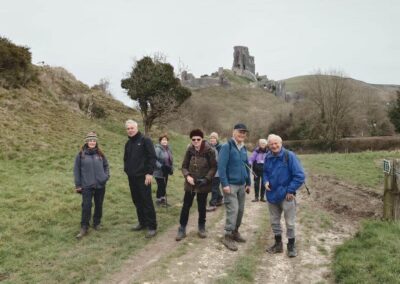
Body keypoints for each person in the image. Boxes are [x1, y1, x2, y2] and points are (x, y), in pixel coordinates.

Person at [263, 134, 305, 257]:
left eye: (276, 143)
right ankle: (278, 245)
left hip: (287, 196)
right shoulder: (268, 157)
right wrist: (265, 181)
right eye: (271, 144)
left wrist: (291, 190)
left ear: (281, 143)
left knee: (290, 223)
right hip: (271, 194)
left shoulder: (289, 156)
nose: (274, 146)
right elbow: (265, 172)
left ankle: (291, 246)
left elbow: (300, 176)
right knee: (274, 221)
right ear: (268, 145)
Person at [175, 129, 217, 241]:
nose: (196, 141)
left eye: (198, 139)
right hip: (190, 184)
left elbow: (213, 167)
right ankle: (182, 228)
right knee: (186, 206)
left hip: (203, 184)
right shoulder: (189, 150)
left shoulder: (209, 151)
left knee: (202, 206)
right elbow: (184, 166)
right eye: (193, 139)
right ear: (191, 140)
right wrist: (187, 176)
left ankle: (201, 227)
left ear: (202, 139)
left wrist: (207, 179)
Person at [218, 123, 251, 251]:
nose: (242, 134)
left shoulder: (243, 148)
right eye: (240, 132)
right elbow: (221, 167)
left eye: (244, 132)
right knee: (234, 209)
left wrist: (248, 182)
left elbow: (246, 166)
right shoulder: (226, 147)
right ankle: (227, 236)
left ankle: (235, 232)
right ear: (233, 132)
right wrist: (225, 184)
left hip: (242, 185)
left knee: (241, 210)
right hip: (230, 185)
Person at [124, 119, 158, 238]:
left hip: (144, 177)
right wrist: (127, 171)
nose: (130, 130)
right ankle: (142, 222)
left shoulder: (145, 140)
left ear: (136, 128)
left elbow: (152, 157)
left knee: (146, 201)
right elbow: (126, 159)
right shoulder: (128, 143)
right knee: (137, 201)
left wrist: (149, 173)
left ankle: (152, 226)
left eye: (132, 128)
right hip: (132, 177)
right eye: (128, 129)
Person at [74, 131, 110, 239]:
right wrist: (78, 185)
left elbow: (106, 166)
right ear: (86, 141)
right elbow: (76, 171)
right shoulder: (81, 155)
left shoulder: (100, 154)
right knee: (86, 206)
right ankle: (84, 227)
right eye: (90, 140)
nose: (92, 142)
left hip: (100, 185)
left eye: (94, 140)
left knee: (99, 204)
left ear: (96, 142)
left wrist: (105, 177)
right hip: (86, 185)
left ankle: (97, 223)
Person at [153, 133, 174, 207]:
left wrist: (171, 169)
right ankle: (158, 200)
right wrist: (161, 166)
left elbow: (171, 160)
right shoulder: (157, 149)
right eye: (163, 140)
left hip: (166, 170)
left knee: (164, 185)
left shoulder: (168, 149)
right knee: (161, 185)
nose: (164, 141)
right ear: (160, 141)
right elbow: (154, 160)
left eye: (166, 140)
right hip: (158, 171)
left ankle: (163, 199)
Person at [206, 132, 224, 212]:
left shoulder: (220, 147)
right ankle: (219, 199)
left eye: (214, 138)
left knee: (214, 187)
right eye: (211, 138)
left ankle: (212, 204)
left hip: (218, 170)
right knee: (215, 186)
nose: (212, 140)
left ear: (217, 139)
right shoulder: (208, 147)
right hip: (210, 170)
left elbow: (221, 159)